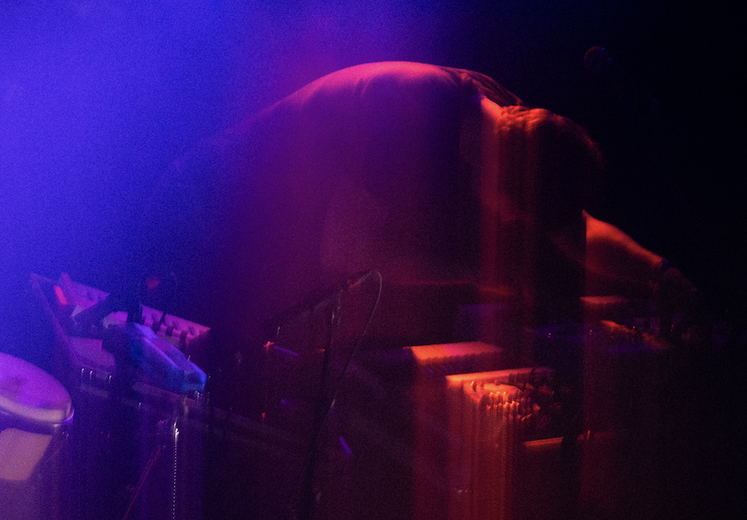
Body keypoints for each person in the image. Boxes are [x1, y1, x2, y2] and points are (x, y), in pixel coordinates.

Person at [142, 61, 689, 351]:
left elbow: (575, 229)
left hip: (251, 250)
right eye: (514, 214)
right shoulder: (414, 111)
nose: (504, 221)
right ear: (513, 182)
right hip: (204, 222)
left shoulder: (498, 118)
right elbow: (349, 247)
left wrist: (660, 274)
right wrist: (488, 271)